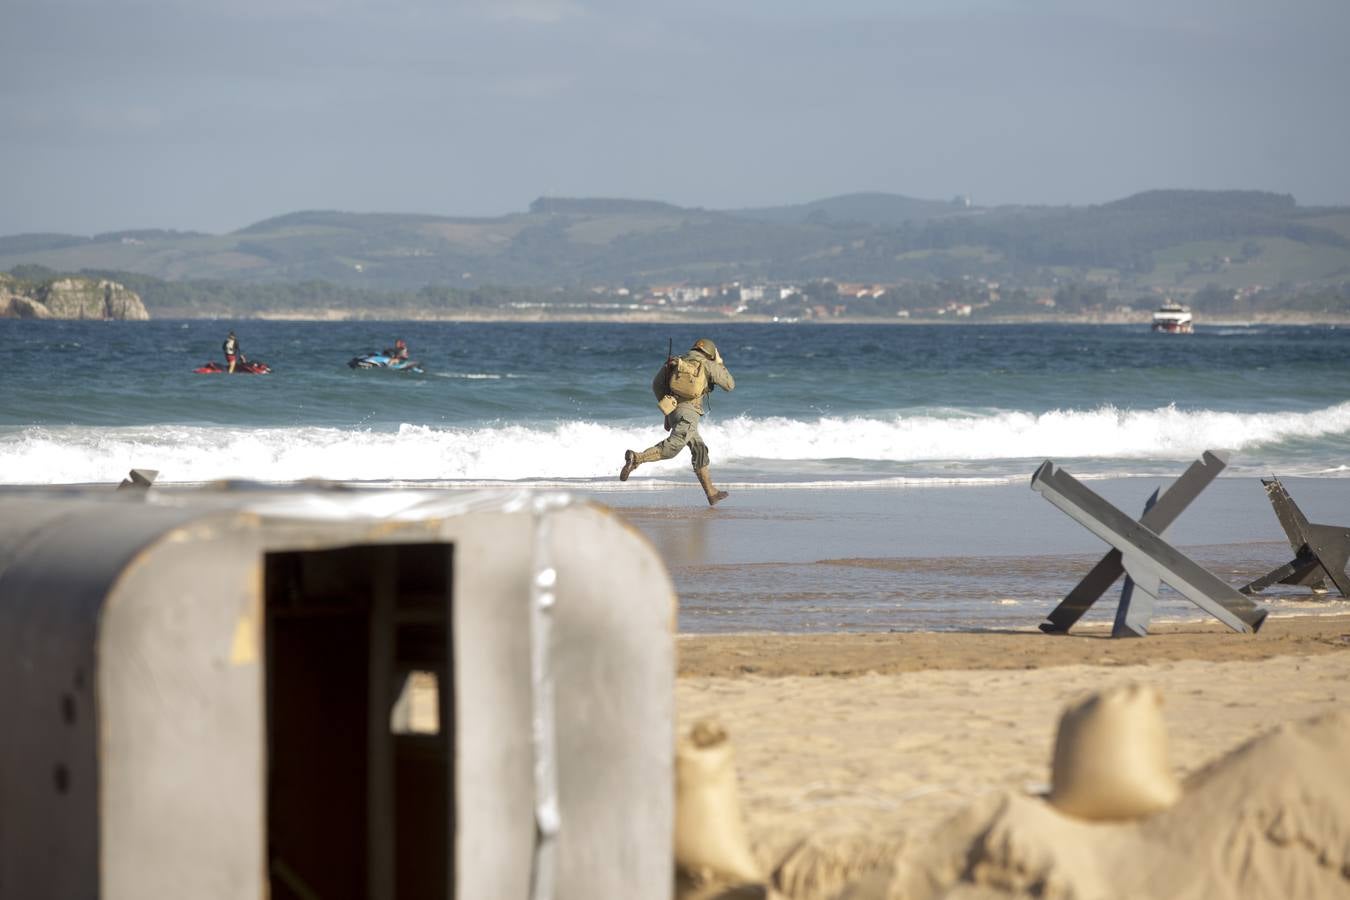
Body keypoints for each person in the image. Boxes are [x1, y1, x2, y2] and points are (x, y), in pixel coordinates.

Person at [619, 337, 735, 506]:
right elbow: (730, 385)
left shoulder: (675, 362)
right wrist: (720, 362)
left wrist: (667, 412)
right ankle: (636, 458)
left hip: (674, 411)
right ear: (710, 353)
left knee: (699, 449)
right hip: (690, 414)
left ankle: (711, 493)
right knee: (673, 447)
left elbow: (657, 384)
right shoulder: (708, 364)